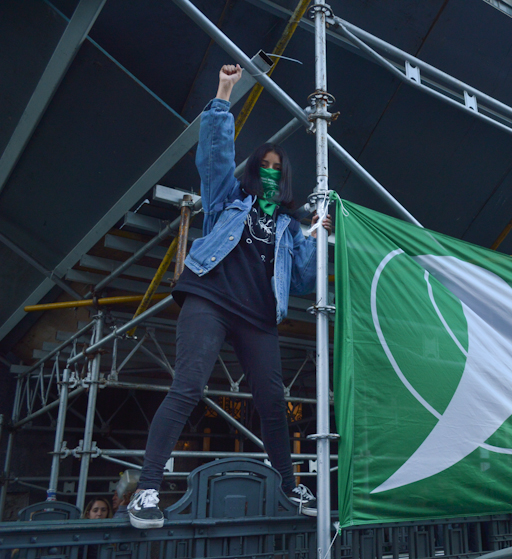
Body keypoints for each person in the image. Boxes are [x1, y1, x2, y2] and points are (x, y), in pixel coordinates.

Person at [128, 64, 331, 529]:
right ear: (255, 170)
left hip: (258, 316)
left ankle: (288, 484)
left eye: (279, 169)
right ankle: (146, 490)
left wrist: (318, 236)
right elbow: (215, 157)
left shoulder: (289, 227)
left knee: (272, 401)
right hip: (210, 299)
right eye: (265, 165)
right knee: (189, 386)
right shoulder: (228, 200)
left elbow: (302, 281)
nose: (271, 172)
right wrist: (223, 95)